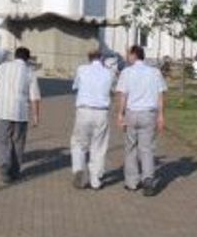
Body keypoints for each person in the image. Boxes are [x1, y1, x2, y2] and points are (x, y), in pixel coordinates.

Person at [115, 44, 166, 196]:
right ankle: (148, 179)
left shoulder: (126, 72)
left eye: (128, 54)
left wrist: (120, 114)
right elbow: (160, 95)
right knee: (147, 148)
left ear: (133, 55)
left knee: (131, 148)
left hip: (132, 113)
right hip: (149, 114)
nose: (127, 57)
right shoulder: (155, 72)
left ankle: (131, 182)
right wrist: (161, 115)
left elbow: (123, 95)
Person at [0, 46, 41, 183]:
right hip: (21, 113)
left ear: (15, 56)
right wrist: (35, 116)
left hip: (2, 111)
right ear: (27, 59)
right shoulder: (30, 72)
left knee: (1, 140)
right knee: (18, 142)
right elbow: (34, 97)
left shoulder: (3, 67)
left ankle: (4, 163)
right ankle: (15, 171)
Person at [70, 48, 114, 189]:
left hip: (84, 110)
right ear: (101, 58)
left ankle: (78, 168)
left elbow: (75, 86)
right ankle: (95, 179)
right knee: (99, 146)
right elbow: (113, 90)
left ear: (89, 58)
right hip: (101, 112)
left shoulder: (82, 69)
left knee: (79, 143)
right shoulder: (109, 72)